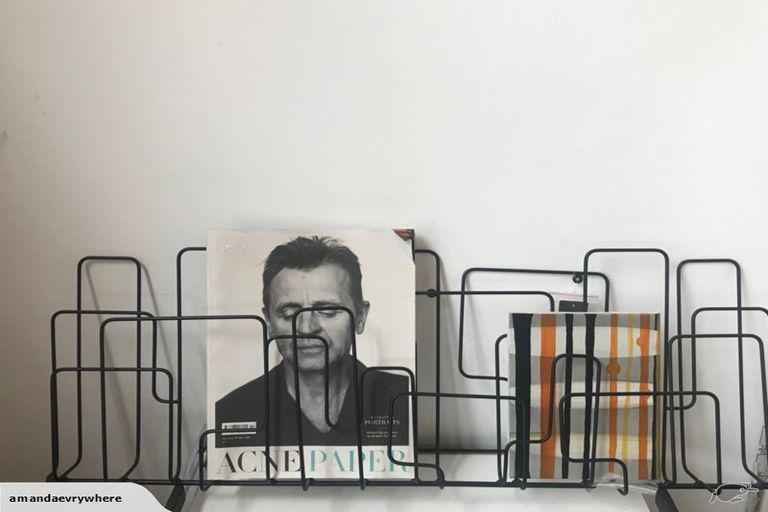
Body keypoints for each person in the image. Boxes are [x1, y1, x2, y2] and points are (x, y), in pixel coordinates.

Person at [215, 236, 409, 448]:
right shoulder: (230, 411)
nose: (306, 328)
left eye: (327, 310)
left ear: (360, 317)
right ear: (269, 322)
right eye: (289, 313)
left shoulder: (403, 399)